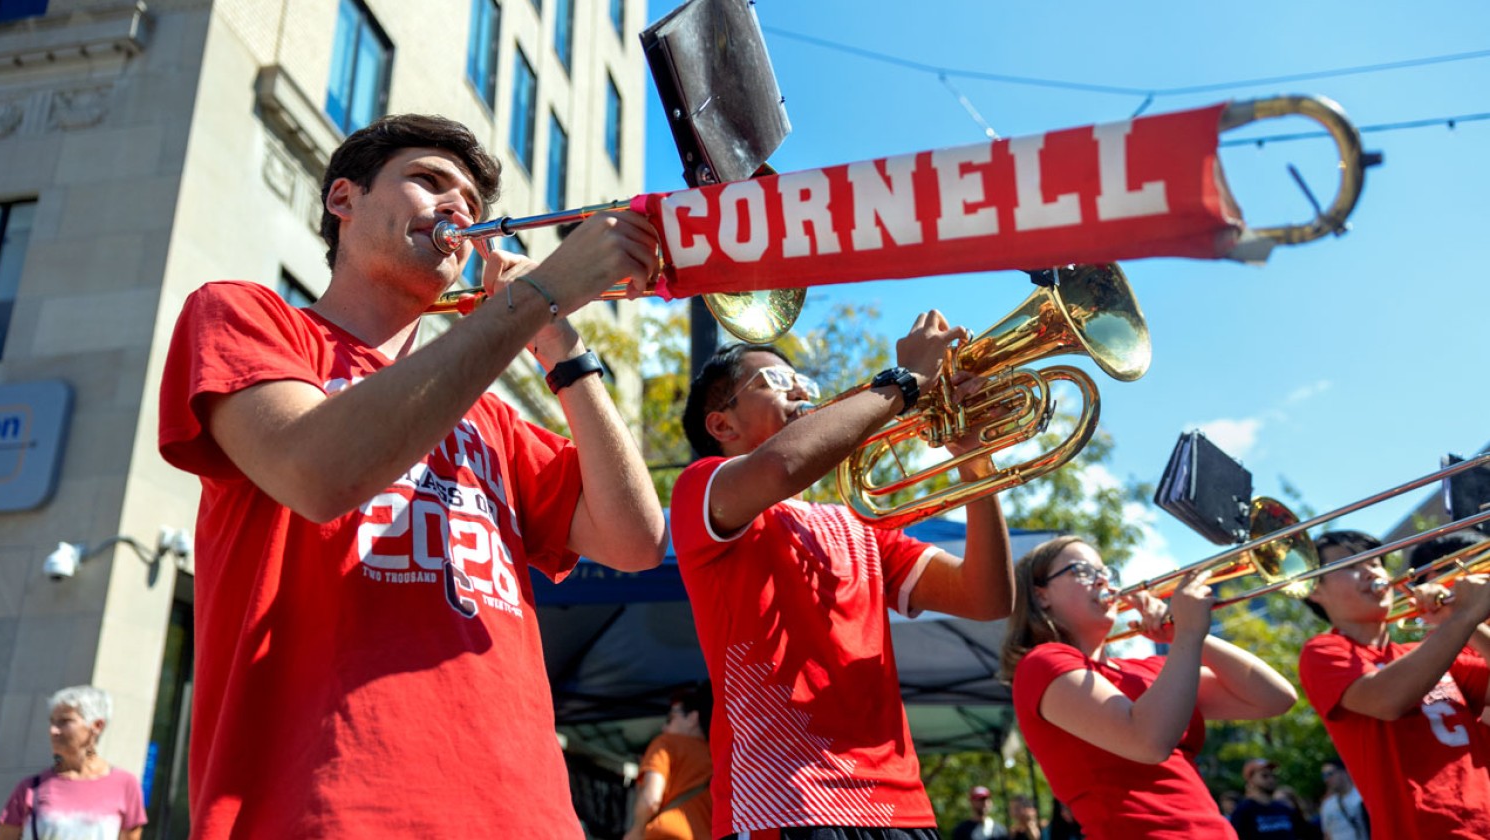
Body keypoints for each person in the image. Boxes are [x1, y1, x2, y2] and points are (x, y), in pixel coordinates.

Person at [157, 114, 667, 838]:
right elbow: (319, 472)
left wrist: (562, 346)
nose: (459, 209)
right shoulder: (244, 315)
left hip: (528, 816)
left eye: (473, 203)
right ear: (344, 201)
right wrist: (541, 293)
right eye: (429, 181)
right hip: (328, 809)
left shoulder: (491, 419)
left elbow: (636, 540)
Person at [671, 322, 1016, 840]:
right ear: (721, 426)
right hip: (784, 801)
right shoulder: (699, 489)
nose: (801, 388)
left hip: (902, 808)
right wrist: (904, 382)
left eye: (800, 378)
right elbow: (782, 467)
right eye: (772, 380)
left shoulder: (861, 524)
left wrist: (974, 460)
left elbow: (988, 597)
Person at [1000, 536, 1297, 840]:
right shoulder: (1041, 663)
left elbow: (1275, 698)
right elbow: (1148, 742)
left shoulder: (1148, 668)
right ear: (1041, 595)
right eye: (1082, 570)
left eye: (1105, 571)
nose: (1103, 579)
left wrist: (1187, 635)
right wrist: (1189, 634)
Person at [1298, 529, 1490, 840]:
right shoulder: (1323, 650)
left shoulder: (1427, 651)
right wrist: (1463, 618)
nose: (1370, 571)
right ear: (1313, 589)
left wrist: (1470, 624)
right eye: (1349, 565)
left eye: (1375, 562)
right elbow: (1387, 699)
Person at [0, 686, 146, 840]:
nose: (53, 731)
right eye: (52, 722)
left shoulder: (125, 785)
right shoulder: (30, 788)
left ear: (97, 726)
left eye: (64, 721)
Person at [624, 683, 715, 840]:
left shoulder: (666, 743)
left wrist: (637, 831)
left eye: (670, 718)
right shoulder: (717, 758)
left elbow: (651, 799)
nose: (664, 727)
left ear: (693, 718)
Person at [1229, 758, 1310, 840]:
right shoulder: (1243, 811)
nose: (1271, 780)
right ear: (1251, 780)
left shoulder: (1284, 809)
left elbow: (1304, 833)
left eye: (1273, 776)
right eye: (1265, 776)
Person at [1316, 759, 1367, 840]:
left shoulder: (1362, 796)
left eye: (1329, 774)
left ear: (1343, 772)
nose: (1326, 779)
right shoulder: (1327, 805)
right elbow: (1327, 834)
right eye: (1324, 776)